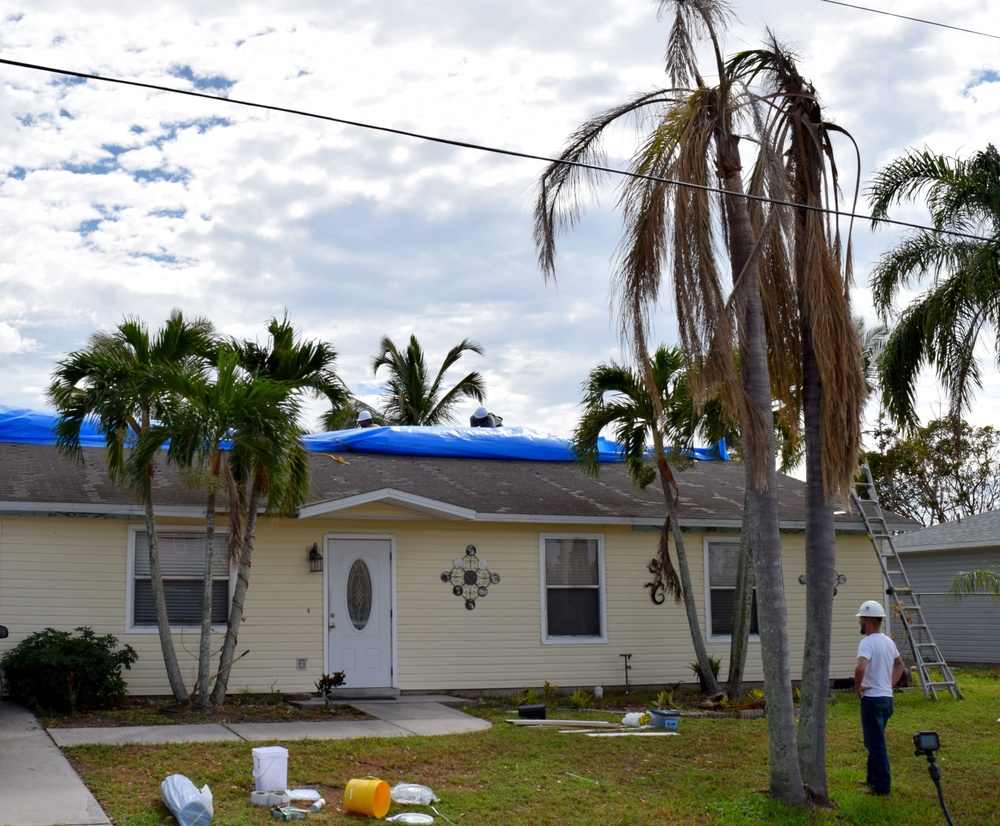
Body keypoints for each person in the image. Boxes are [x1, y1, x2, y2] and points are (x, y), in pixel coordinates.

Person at [854, 599, 906, 796]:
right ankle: (871, 779)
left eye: (861, 619)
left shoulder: (867, 642)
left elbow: (860, 668)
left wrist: (858, 687)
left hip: (872, 700)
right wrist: (888, 685)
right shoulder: (888, 641)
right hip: (886, 700)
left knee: (876, 745)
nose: (859, 622)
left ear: (867, 620)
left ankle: (882, 788)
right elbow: (900, 665)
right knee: (874, 741)